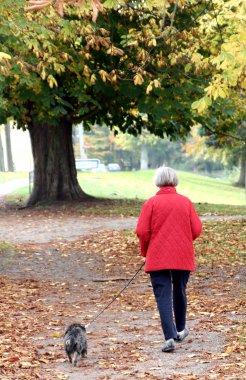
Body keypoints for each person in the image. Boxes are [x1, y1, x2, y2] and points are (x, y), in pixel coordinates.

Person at [136, 166, 202, 352]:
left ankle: (169, 337)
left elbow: (142, 231)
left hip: (158, 256)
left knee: (163, 296)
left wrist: (146, 251)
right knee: (179, 290)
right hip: (182, 255)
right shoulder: (185, 202)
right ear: (174, 180)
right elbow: (196, 229)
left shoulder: (151, 203)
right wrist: (183, 242)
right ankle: (180, 329)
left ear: (158, 181)